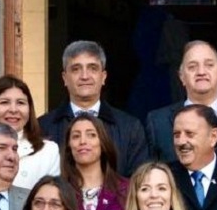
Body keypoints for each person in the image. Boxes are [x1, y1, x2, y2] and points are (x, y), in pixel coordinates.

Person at [39, 40, 149, 176]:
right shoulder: (43, 127)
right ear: (65, 78)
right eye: (76, 69)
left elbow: (138, 184)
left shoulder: (130, 128)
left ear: (103, 77)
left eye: (92, 68)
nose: (85, 76)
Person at [146, 40, 217, 164]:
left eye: (209, 65)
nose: (201, 72)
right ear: (181, 77)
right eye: (192, 67)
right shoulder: (158, 121)